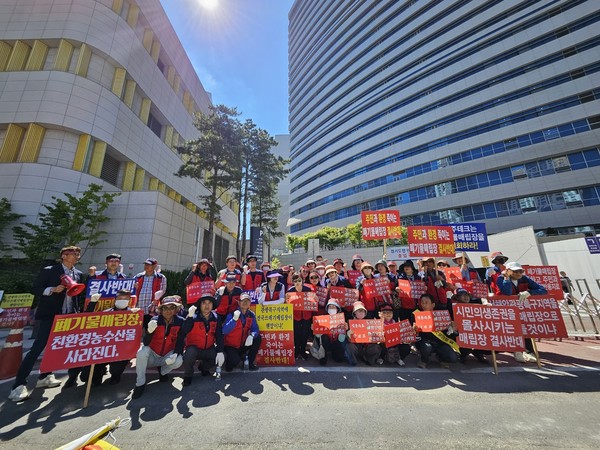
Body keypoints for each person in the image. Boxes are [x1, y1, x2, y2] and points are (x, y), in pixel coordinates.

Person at [9, 246, 84, 402]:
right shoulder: (50, 270)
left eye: (78, 254)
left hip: (68, 317)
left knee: (56, 348)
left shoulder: (77, 274)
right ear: (64, 256)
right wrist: (52, 289)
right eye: (73, 254)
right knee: (38, 348)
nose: (77, 256)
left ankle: (45, 376)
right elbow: (35, 288)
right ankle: (19, 384)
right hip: (50, 316)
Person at [64, 289, 139, 388]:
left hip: (119, 351)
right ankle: (99, 374)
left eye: (125, 299)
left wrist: (137, 318)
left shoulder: (133, 314)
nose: (122, 301)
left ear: (129, 300)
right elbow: (86, 322)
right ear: (115, 299)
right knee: (85, 377)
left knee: (116, 370)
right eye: (120, 298)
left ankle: (115, 376)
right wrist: (92, 303)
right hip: (102, 351)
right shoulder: (105, 313)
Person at [131, 296, 185, 399]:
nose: (168, 311)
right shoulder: (155, 320)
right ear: (161, 310)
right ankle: (140, 383)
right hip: (152, 356)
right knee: (142, 352)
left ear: (175, 310)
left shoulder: (180, 321)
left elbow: (180, 341)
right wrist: (149, 332)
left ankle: (163, 371)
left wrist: (176, 353)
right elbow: (146, 342)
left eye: (171, 308)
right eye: (165, 308)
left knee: (178, 360)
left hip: (167, 357)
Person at [179, 294, 224, 386]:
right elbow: (184, 331)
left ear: (212, 305)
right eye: (204, 303)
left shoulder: (216, 318)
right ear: (199, 305)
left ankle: (204, 367)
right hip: (194, 348)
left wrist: (220, 351)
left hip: (209, 348)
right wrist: (189, 318)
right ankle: (188, 376)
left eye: (209, 303)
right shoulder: (193, 317)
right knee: (189, 354)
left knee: (222, 357)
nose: (207, 306)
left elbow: (219, 335)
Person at [414, 294, 458, 369]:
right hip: (425, 341)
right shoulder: (416, 314)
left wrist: (453, 330)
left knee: (453, 358)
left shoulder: (441, 316)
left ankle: (442, 359)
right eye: (422, 302)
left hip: (440, 342)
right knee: (427, 347)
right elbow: (416, 337)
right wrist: (415, 330)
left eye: (426, 302)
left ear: (433, 305)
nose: (424, 305)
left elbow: (449, 335)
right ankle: (424, 360)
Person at [222, 293, 261, 371]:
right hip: (231, 345)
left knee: (258, 338)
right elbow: (224, 330)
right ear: (239, 302)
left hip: (243, 344)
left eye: (247, 301)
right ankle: (228, 360)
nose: (245, 303)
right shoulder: (232, 314)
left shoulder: (251, 315)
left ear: (250, 303)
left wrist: (252, 335)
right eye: (243, 301)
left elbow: (255, 329)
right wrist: (234, 320)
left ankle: (249, 363)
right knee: (232, 365)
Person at [449, 289, 488, 364]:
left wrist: (485, 303)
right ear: (457, 297)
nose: (466, 297)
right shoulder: (452, 307)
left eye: (467, 295)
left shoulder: (474, 305)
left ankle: (478, 352)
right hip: (459, 334)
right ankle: (463, 354)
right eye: (463, 295)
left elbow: (482, 299)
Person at [287, 273, 314, 360]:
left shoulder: (308, 289)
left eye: (299, 280)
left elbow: (312, 302)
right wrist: (286, 300)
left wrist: (315, 299)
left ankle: (302, 350)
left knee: (305, 334)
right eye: (295, 281)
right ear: (293, 282)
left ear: (302, 281)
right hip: (296, 315)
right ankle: (297, 351)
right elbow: (287, 304)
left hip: (306, 315)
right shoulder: (290, 291)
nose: (297, 282)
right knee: (296, 333)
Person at [319, 300, 354, 365]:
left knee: (341, 340)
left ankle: (337, 354)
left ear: (337, 309)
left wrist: (345, 330)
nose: (331, 309)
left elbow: (342, 339)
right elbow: (318, 336)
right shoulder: (323, 319)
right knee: (324, 337)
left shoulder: (341, 320)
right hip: (327, 343)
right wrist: (315, 329)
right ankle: (323, 356)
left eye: (333, 307)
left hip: (337, 343)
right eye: (330, 307)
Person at [134, 258, 167, 323]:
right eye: (145, 264)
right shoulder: (138, 277)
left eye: (149, 265)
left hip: (152, 309)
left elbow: (162, 291)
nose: (146, 266)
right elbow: (132, 290)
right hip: (138, 308)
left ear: (154, 266)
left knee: (150, 329)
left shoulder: (161, 277)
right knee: (138, 329)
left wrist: (155, 300)